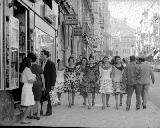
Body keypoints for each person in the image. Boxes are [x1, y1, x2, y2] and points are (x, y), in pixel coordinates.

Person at [27, 53, 45, 120]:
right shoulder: (39, 67)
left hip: (31, 85)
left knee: (31, 100)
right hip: (39, 85)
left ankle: (31, 114)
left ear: (31, 60)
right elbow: (43, 78)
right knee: (38, 101)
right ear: (35, 60)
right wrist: (44, 86)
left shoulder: (29, 68)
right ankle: (38, 115)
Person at [40, 50, 56, 116]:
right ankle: (40, 111)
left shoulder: (51, 63)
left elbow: (54, 74)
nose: (41, 56)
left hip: (49, 84)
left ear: (46, 56)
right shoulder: (41, 63)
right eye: (41, 55)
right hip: (42, 84)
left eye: (42, 54)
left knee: (49, 98)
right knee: (41, 97)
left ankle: (49, 111)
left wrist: (53, 84)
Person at [20, 57, 36, 124]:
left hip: (26, 87)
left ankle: (23, 118)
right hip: (28, 88)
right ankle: (23, 119)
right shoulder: (27, 70)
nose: (31, 63)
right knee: (30, 104)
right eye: (30, 61)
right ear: (28, 62)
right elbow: (30, 80)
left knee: (28, 104)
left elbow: (21, 81)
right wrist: (34, 79)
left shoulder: (25, 69)